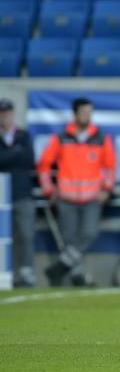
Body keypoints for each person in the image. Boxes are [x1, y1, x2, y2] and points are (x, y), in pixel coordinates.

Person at [38, 98, 116, 287]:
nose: (87, 116)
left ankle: (58, 268)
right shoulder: (62, 137)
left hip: (91, 197)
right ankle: (78, 278)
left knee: (89, 233)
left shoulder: (100, 138)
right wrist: (49, 189)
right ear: (75, 114)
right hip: (67, 198)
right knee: (70, 239)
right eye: (83, 112)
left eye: (89, 112)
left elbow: (110, 167)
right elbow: (44, 165)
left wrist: (106, 189)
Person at [0, 98, 36, 288]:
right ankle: (7, 273)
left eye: (8, 112)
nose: (5, 116)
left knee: (26, 235)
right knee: (3, 238)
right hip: (1, 197)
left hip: (22, 192)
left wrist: (7, 157)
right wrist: (15, 153)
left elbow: (29, 160)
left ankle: (26, 273)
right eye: (2, 112)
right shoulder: (19, 141)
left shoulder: (23, 135)